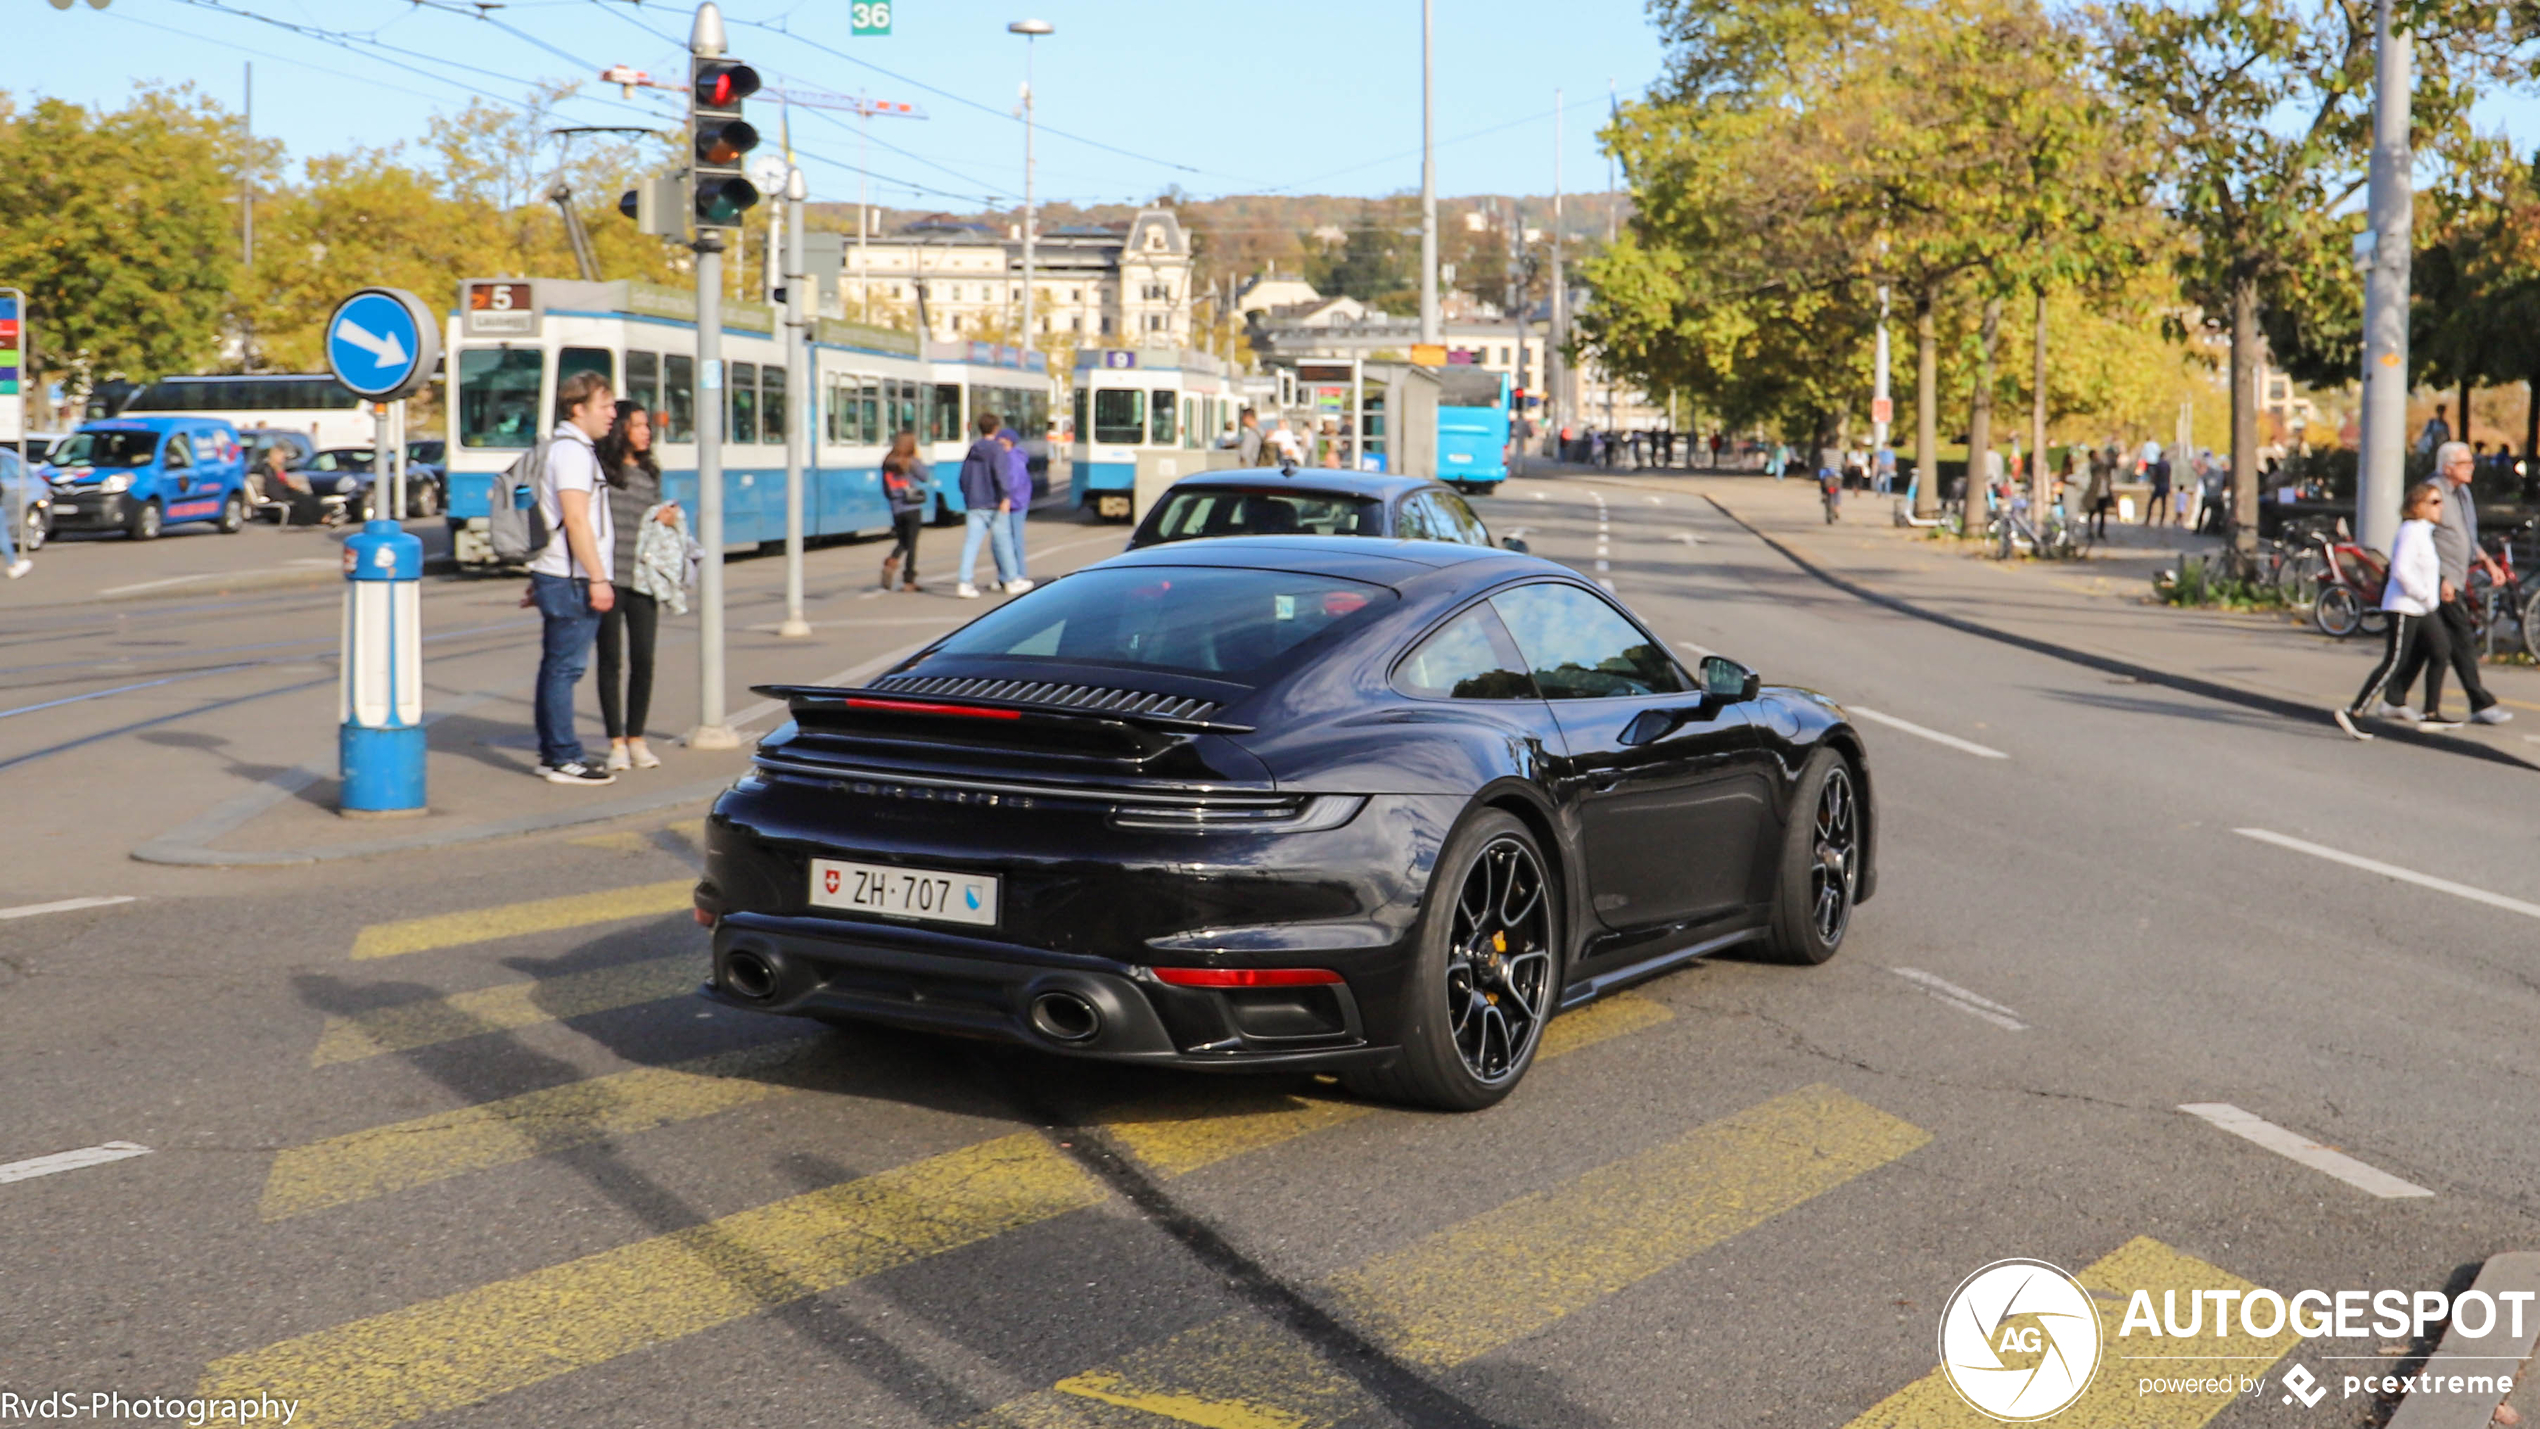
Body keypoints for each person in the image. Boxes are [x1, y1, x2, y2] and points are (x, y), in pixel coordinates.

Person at [527, 370, 620, 785]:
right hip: (573, 578)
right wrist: (598, 579)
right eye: (605, 405)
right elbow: (577, 519)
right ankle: (564, 756)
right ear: (578, 408)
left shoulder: (567, 448)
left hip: (561, 573)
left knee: (556, 667)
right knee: (565, 670)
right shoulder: (572, 453)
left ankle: (553, 753)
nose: (612, 414)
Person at [2336, 479, 2452, 739]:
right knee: (2394, 660)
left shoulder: (2424, 533)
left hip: (2422, 607)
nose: (2440, 507)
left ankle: (2431, 713)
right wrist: (2422, 594)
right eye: (2434, 502)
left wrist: (2430, 597)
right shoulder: (2410, 531)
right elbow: (2400, 571)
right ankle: (2354, 711)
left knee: (2441, 649)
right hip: (2404, 606)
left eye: (2440, 502)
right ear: (2418, 506)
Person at [594, 400, 674, 773]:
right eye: (639, 425)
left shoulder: (649, 472)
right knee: (611, 661)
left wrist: (666, 518)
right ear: (621, 429)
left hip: (643, 580)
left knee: (644, 659)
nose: (646, 432)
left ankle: (637, 738)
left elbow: (654, 525)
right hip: (610, 578)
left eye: (647, 426)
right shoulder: (602, 471)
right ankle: (615, 742)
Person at [2427, 440, 2514, 725]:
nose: (2472, 467)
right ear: (2448, 467)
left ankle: (2394, 697)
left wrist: (2488, 562)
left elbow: (2466, 536)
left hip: (2455, 578)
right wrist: (2439, 578)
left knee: (2420, 647)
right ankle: (2479, 701)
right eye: (2465, 463)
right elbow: (2421, 536)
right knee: (2461, 638)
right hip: (2441, 580)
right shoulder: (2433, 493)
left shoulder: (2462, 493)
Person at [955, 410, 1022, 599]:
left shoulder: (974, 448)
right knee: (1004, 541)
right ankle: (1011, 580)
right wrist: (1005, 497)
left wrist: (968, 495)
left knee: (971, 543)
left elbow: (963, 477)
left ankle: (964, 582)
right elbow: (1001, 474)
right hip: (994, 502)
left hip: (975, 502)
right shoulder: (997, 449)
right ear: (996, 428)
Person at [880, 431, 927, 592]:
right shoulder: (911, 462)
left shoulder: (887, 462)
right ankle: (909, 580)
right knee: (912, 544)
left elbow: (885, 488)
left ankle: (891, 561)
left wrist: (894, 500)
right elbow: (924, 476)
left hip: (896, 508)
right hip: (912, 507)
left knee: (903, 541)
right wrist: (918, 459)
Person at [997, 425, 1033, 581]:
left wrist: (1006, 497)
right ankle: (1011, 574)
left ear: (1009, 442)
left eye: (1002, 442)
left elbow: (1013, 481)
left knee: (1012, 539)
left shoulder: (1012, 457)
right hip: (1016, 501)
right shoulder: (1014, 456)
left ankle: (1017, 574)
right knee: (1008, 539)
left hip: (1015, 503)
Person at [2084, 447, 2114, 539]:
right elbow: (2095, 469)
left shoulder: (2103, 466)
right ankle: (2090, 530)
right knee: (2092, 512)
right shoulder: (2093, 465)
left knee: (2102, 513)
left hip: (2103, 492)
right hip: (2095, 492)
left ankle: (2100, 532)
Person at [2145, 452, 2173, 526]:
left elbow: (2155, 475)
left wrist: (2152, 483)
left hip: (2159, 485)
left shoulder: (2158, 464)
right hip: (2165, 485)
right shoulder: (2167, 465)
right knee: (2163, 504)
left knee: (2151, 503)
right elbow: (2169, 476)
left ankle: (2148, 519)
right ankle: (2161, 521)